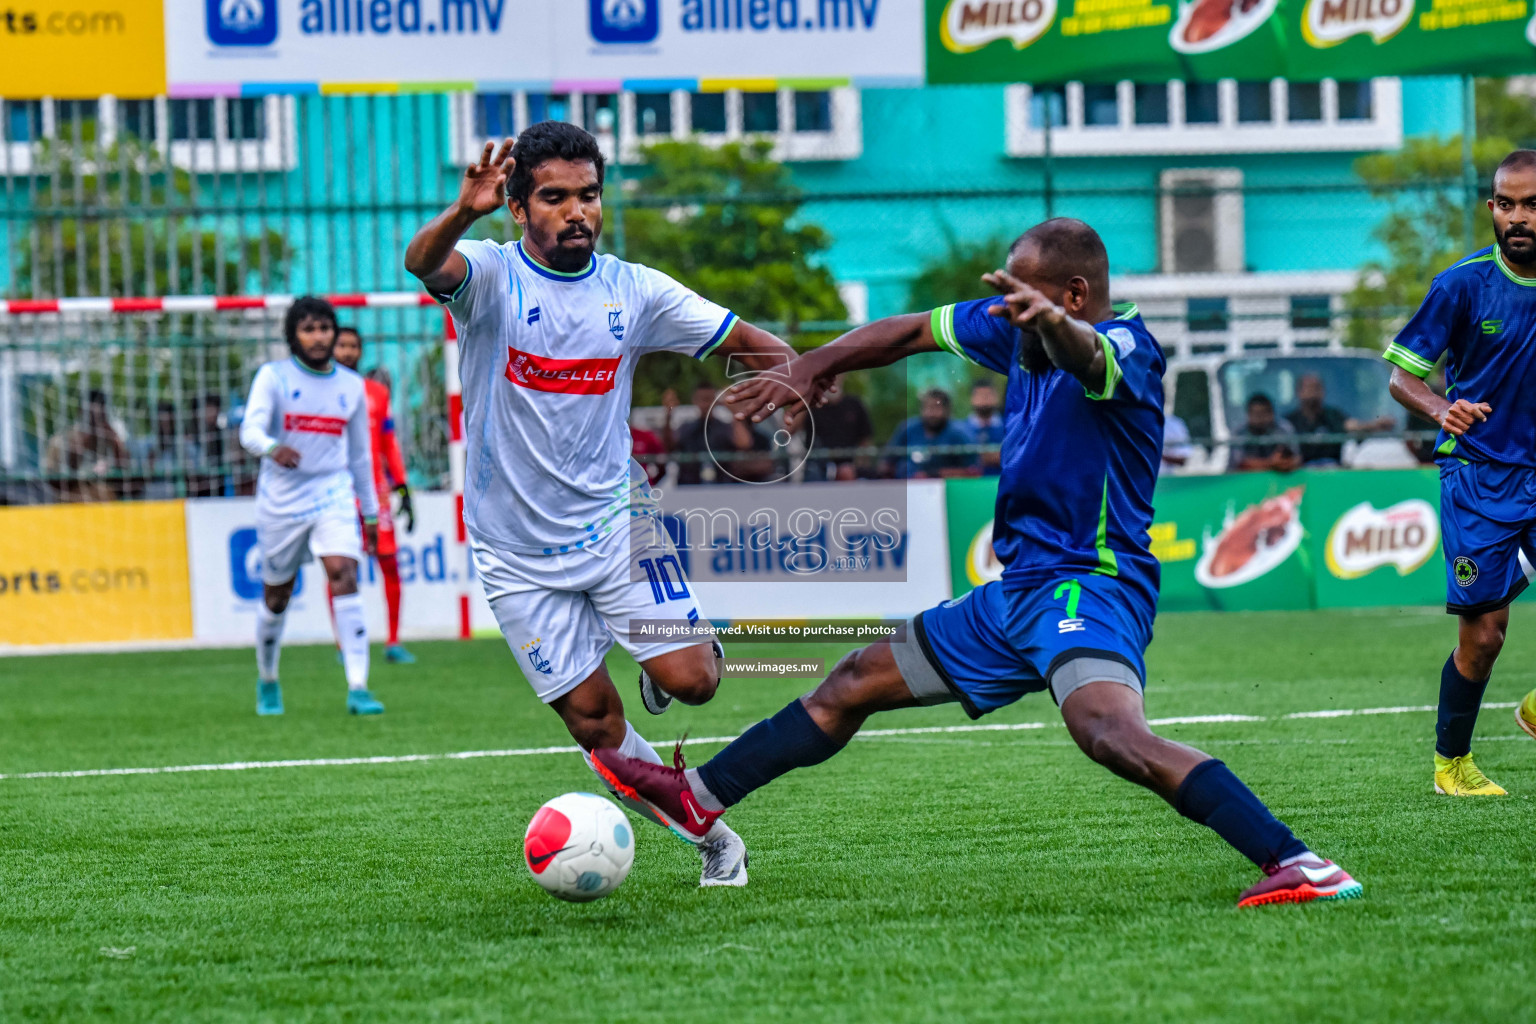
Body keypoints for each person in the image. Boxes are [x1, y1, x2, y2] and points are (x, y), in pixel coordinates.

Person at [591, 218, 1361, 908]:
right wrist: (809, 366)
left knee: (1105, 729)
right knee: (854, 680)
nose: (1006, 313)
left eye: (1027, 298)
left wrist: (1053, 324)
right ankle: (699, 797)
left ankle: (1296, 860)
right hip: (1015, 596)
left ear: (1074, 293)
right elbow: (905, 333)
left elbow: (1088, 354)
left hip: (1091, 586)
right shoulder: (1014, 331)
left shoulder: (1127, 348)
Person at [403, 123, 808, 886]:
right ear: (519, 208)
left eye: (587, 195)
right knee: (594, 722)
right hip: (514, 551)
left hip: (617, 524)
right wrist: (462, 213)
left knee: (696, 684)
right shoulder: (490, 279)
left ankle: (667, 664)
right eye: (553, 197)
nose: (576, 211)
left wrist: (802, 378)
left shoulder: (635, 289)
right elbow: (423, 263)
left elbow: (749, 340)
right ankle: (712, 839)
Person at [1384, 149, 1536, 795]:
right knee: (1485, 636)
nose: (1519, 217)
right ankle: (1453, 765)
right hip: (1480, 477)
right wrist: (1443, 408)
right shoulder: (1462, 284)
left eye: (1532, 204)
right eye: (1507, 204)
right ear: (1492, 209)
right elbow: (1401, 376)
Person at [238, 296, 385, 718]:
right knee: (277, 595)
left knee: (343, 573)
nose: (319, 337)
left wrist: (370, 512)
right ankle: (267, 679)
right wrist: (272, 447)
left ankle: (358, 686)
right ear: (293, 336)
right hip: (282, 497)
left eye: (324, 328)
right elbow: (249, 429)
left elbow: (361, 456)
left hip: (332, 491)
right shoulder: (274, 377)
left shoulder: (351, 386)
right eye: (309, 329)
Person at [332, 325, 417, 665]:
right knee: (339, 568)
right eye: (343, 346)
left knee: (390, 565)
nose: (348, 352)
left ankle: (393, 641)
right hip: (338, 490)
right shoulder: (321, 391)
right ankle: (343, 643)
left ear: (360, 351)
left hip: (375, 492)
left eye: (353, 346)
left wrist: (402, 486)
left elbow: (388, 443)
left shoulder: (377, 394)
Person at [1284, 373, 1394, 465]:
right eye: (1309, 388)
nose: (1314, 392)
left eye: (1317, 387)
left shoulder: (1333, 415)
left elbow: (1352, 426)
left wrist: (1376, 425)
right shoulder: (1289, 421)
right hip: (1299, 473)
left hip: (1333, 471)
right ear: (1299, 392)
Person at [43, 389, 128, 502]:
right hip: (71, 504)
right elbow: (54, 480)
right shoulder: (61, 440)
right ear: (81, 411)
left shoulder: (110, 438)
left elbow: (127, 471)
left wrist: (114, 441)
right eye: (91, 415)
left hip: (106, 506)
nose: (96, 420)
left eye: (100, 415)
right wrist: (83, 444)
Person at [884, 388, 979, 478]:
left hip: (949, 489)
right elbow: (887, 462)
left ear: (947, 410)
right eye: (927, 407)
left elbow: (973, 470)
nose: (931, 413)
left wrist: (932, 475)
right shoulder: (907, 429)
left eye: (936, 407)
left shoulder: (959, 433)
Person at [804, 374, 873, 481]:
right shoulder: (811, 405)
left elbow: (865, 442)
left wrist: (857, 468)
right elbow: (787, 432)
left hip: (849, 468)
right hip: (817, 468)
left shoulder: (854, 405)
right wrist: (806, 398)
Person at [130, 399, 201, 500]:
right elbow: (136, 473)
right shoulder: (146, 445)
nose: (165, 427)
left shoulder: (184, 445)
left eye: (168, 422)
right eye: (161, 423)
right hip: (153, 492)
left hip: (179, 492)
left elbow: (197, 468)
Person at [1228, 393, 1300, 473]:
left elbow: (1296, 458)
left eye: (1263, 413)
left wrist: (1286, 462)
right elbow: (1238, 463)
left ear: (1272, 413)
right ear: (1248, 414)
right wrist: (1271, 463)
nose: (1259, 418)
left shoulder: (1284, 429)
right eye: (1256, 414)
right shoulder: (1239, 432)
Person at [966, 380, 1004, 476]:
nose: (984, 399)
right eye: (980, 395)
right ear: (972, 398)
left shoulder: (1011, 426)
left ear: (997, 398)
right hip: (969, 485)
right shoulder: (961, 429)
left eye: (988, 395)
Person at [1161, 381, 1193, 477]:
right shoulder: (1127, 423)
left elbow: (1183, 459)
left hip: (1165, 483)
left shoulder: (1175, 424)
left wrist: (1156, 455)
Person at [630, 419, 667, 487]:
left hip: (641, 488)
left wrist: (651, 483)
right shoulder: (609, 438)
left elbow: (662, 462)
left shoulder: (645, 436)